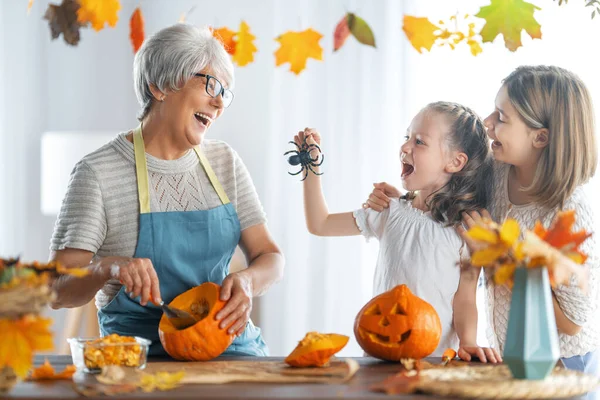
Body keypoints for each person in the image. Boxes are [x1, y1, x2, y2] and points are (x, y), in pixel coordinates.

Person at [48, 24, 284, 357]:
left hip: (231, 351)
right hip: (139, 362)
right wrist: (108, 267)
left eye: (225, 92)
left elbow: (270, 258)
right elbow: (57, 290)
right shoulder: (98, 173)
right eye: (210, 84)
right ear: (160, 86)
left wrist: (248, 281)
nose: (219, 102)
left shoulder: (224, 162)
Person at [367, 66, 599, 388]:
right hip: (511, 356)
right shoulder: (498, 173)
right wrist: (409, 201)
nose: (488, 124)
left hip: (562, 366)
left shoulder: (569, 212)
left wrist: (499, 257)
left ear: (540, 137)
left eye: (501, 118)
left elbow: (572, 323)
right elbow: (448, 186)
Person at [295, 101, 500, 358]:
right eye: (407, 137)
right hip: (380, 354)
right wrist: (310, 166)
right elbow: (320, 224)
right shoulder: (388, 211)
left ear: (455, 162)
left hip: (435, 363)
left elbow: (465, 299)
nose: (405, 147)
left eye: (419, 142)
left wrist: (468, 342)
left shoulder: (466, 230)